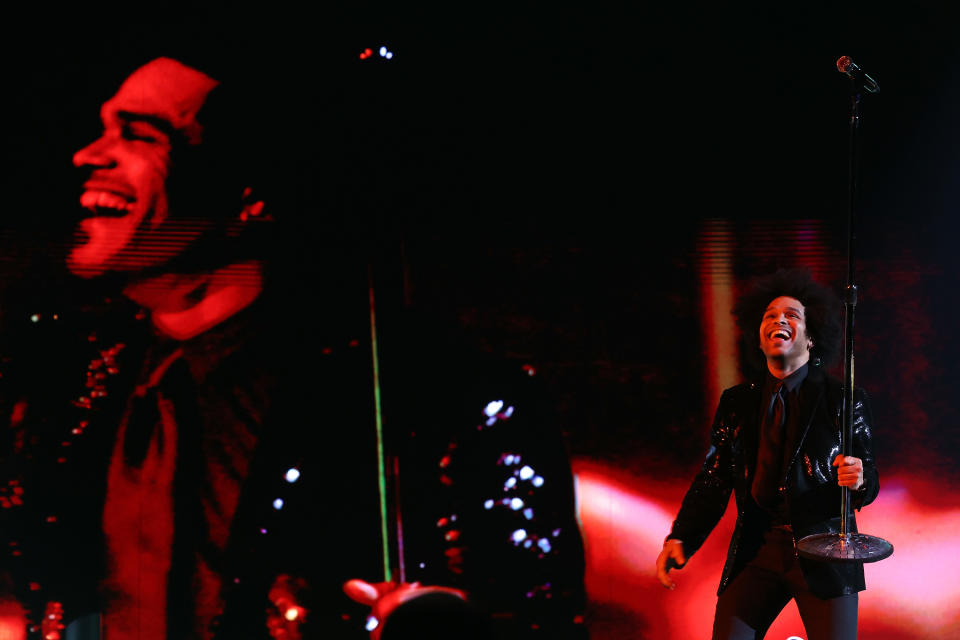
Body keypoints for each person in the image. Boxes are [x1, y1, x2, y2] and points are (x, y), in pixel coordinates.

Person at [0, 56, 586, 640]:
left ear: (250, 194)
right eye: (103, 127)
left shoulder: (434, 396)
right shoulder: (60, 383)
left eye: (141, 135)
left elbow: (535, 618)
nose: (88, 154)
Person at [655, 269, 879, 640]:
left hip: (823, 549)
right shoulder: (737, 403)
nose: (779, 319)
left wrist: (859, 478)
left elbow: (868, 475)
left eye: (792, 314)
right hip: (757, 550)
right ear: (759, 339)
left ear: (811, 338)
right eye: (770, 316)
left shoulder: (843, 398)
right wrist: (681, 536)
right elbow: (714, 478)